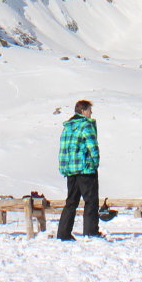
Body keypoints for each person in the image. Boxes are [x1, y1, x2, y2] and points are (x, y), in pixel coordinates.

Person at [56, 99, 101, 241]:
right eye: (89, 110)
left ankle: (63, 233)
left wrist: (65, 167)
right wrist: (95, 162)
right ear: (83, 111)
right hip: (85, 169)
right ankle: (91, 232)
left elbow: (63, 148)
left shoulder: (68, 127)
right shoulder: (85, 125)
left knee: (71, 202)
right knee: (91, 201)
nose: (91, 113)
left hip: (71, 169)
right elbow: (92, 146)